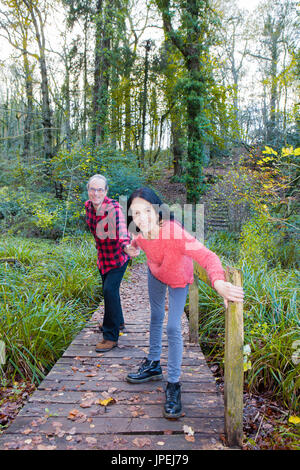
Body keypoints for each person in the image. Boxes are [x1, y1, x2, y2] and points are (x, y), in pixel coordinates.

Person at [124, 187, 244, 419]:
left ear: (157, 210)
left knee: (173, 327)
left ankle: (174, 384)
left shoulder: (174, 233)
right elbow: (137, 241)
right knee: (156, 317)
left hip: (179, 277)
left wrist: (218, 283)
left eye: (146, 211)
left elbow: (208, 257)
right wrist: (132, 249)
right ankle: (153, 364)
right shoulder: (138, 229)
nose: (141, 218)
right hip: (155, 273)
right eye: (135, 213)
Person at [85, 174, 131, 352]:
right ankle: (118, 322)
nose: (95, 193)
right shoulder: (88, 207)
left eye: (100, 190)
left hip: (119, 256)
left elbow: (121, 230)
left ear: (106, 191)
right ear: (88, 190)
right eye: (92, 189)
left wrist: (126, 246)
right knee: (110, 291)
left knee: (109, 290)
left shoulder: (113, 209)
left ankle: (110, 336)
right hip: (103, 257)